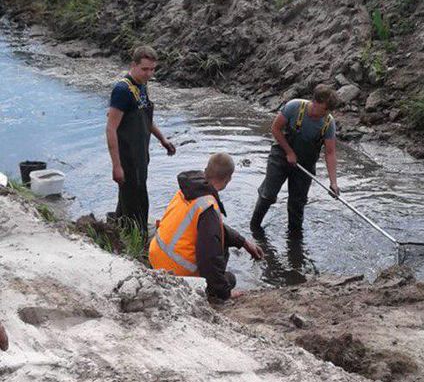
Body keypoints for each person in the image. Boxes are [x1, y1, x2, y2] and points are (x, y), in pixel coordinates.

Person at [149, 153, 263, 302]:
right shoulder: (208, 207)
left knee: (218, 241)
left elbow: (212, 227)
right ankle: (213, 295)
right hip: (176, 275)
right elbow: (209, 257)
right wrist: (225, 293)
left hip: (156, 260)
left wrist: (243, 242)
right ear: (228, 179)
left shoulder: (188, 190)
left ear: (205, 171)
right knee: (230, 279)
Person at [105, 45, 176, 238]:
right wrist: (116, 166)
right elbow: (111, 128)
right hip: (127, 157)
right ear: (133, 65)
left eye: (153, 69)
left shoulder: (142, 86)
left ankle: (116, 228)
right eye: (145, 69)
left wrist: (162, 139)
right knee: (137, 201)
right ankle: (137, 239)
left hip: (140, 155)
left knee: (129, 198)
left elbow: (146, 118)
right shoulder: (122, 90)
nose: (149, 74)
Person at [250, 84, 341, 233]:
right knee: (268, 195)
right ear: (315, 102)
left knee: (297, 205)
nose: (327, 113)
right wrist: (289, 152)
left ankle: (295, 241)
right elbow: (275, 128)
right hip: (280, 156)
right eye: (325, 109)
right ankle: (254, 228)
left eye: (329, 111)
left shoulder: (328, 123)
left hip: (305, 165)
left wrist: (333, 182)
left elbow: (330, 153)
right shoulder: (294, 107)